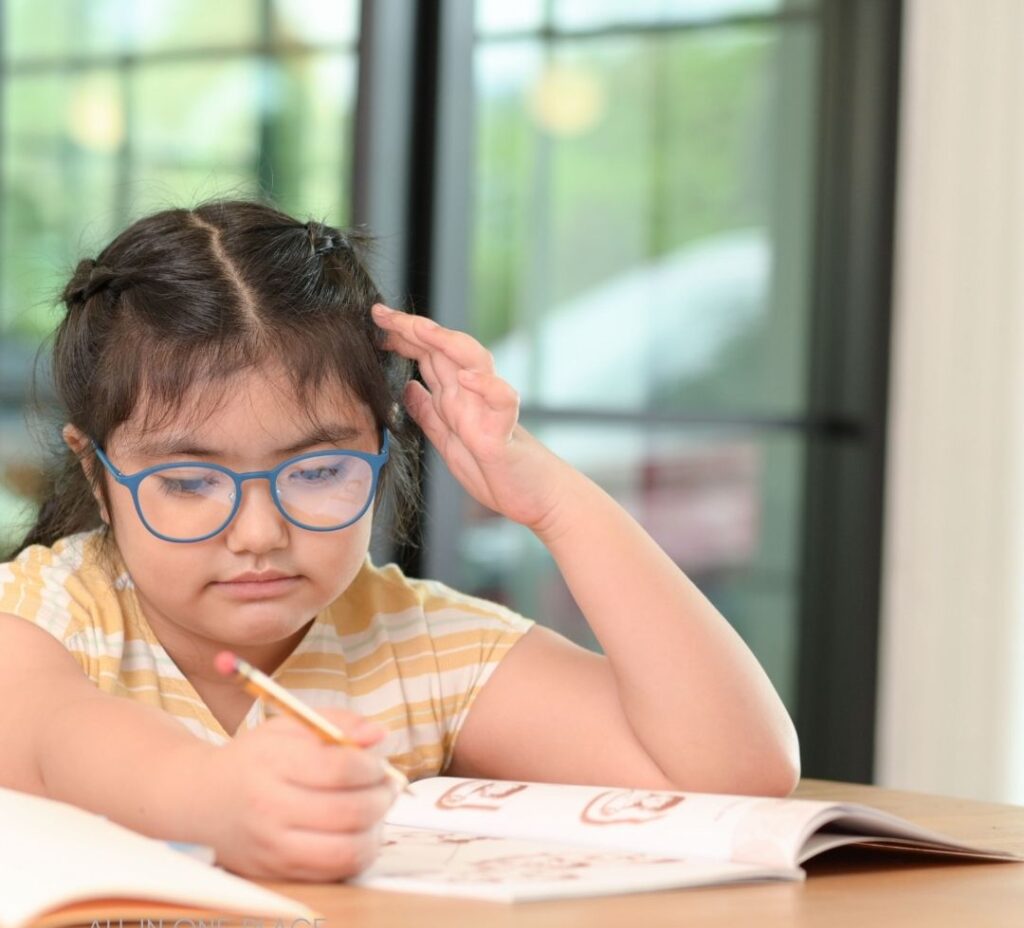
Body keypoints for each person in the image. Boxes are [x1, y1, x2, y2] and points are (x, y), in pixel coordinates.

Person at [0, 199, 799, 882]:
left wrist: (551, 499)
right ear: (96, 475)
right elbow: (57, 739)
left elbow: (733, 772)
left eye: (318, 471)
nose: (259, 534)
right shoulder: (39, 615)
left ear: (383, 451)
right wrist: (220, 799)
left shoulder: (413, 643)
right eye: (187, 483)